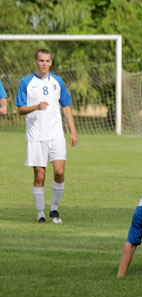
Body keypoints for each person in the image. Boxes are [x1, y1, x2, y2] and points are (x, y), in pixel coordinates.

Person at [15, 49, 78, 224]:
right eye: (41, 60)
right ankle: (40, 213)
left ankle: (54, 208)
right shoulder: (26, 82)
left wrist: (72, 130)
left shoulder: (57, 82)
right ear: (35, 62)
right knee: (39, 176)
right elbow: (20, 109)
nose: (44, 64)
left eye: (47, 61)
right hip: (36, 136)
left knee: (59, 172)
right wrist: (35, 107)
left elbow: (66, 106)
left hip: (56, 134)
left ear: (51, 63)